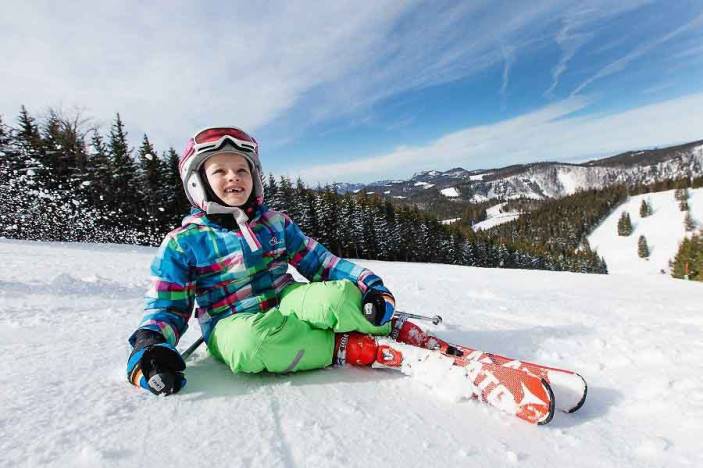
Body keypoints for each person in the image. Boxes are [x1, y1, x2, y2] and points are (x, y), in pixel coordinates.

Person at [127, 126, 397, 395]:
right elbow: (168, 306)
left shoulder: (275, 223)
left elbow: (320, 262)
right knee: (250, 345)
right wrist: (149, 345)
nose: (233, 176)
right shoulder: (183, 242)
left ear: (254, 178)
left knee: (335, 298)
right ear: (198, 183)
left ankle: (382, 322)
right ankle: (339, 345)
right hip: (231, 320)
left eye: (242, 170)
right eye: (219, 171)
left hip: (286, 298)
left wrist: (369, 285)